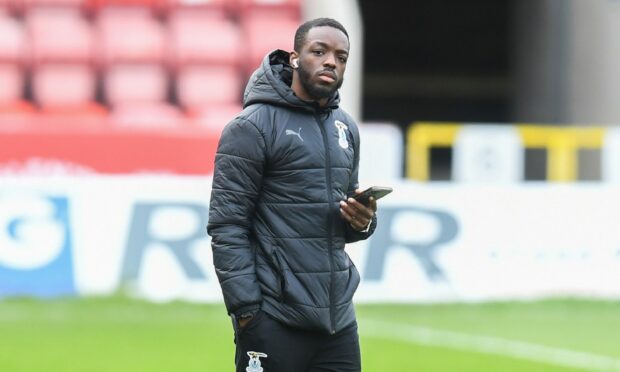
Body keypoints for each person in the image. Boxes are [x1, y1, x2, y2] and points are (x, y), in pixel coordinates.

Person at [207, 17, 378, 372]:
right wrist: (247, 311)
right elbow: (227, 225)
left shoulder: (345, 128)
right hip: (273, 318)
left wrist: (362, 222)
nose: (331, 61)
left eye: (341, 57)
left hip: (337, 321)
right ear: (295, 57)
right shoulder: (251, 127)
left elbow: (340, 218)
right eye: (320, 51)